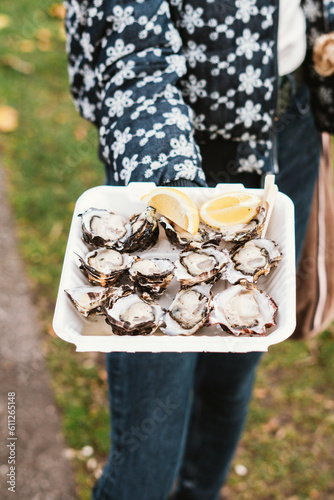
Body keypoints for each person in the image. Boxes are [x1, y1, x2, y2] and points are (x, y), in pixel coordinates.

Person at [64, 1, 334, 499]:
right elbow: (132, 54)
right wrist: (184, 203)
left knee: (229, 380)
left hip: (288, 122)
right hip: (167, 143)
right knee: (149, 443)